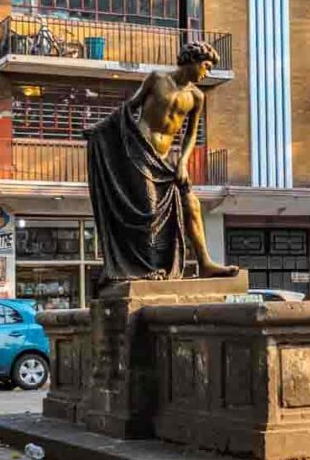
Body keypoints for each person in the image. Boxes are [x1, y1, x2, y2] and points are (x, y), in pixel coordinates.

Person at [86, 40, 239, 283]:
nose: (206, 73)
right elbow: (129, 109)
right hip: (139, 152)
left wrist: (183, 163)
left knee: (191, 202)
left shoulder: (197, 97)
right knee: (148, 208)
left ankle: (205, 262)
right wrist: (100, 129)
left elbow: (191, 134)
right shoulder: (157, 79)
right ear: (192, 61)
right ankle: (146, 267)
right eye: (206, 66)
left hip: (165, 159)